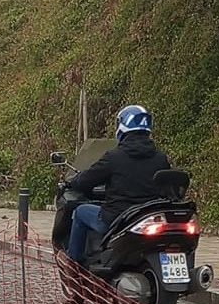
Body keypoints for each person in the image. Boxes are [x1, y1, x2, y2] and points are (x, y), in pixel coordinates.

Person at [64, 104, 173, 264]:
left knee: (80, 212)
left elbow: (86, 179)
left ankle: (73, 263)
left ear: (122, 127)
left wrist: (74, 181)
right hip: (147, 218)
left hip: (116, 219)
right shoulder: (160, 158)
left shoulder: (114, 157)